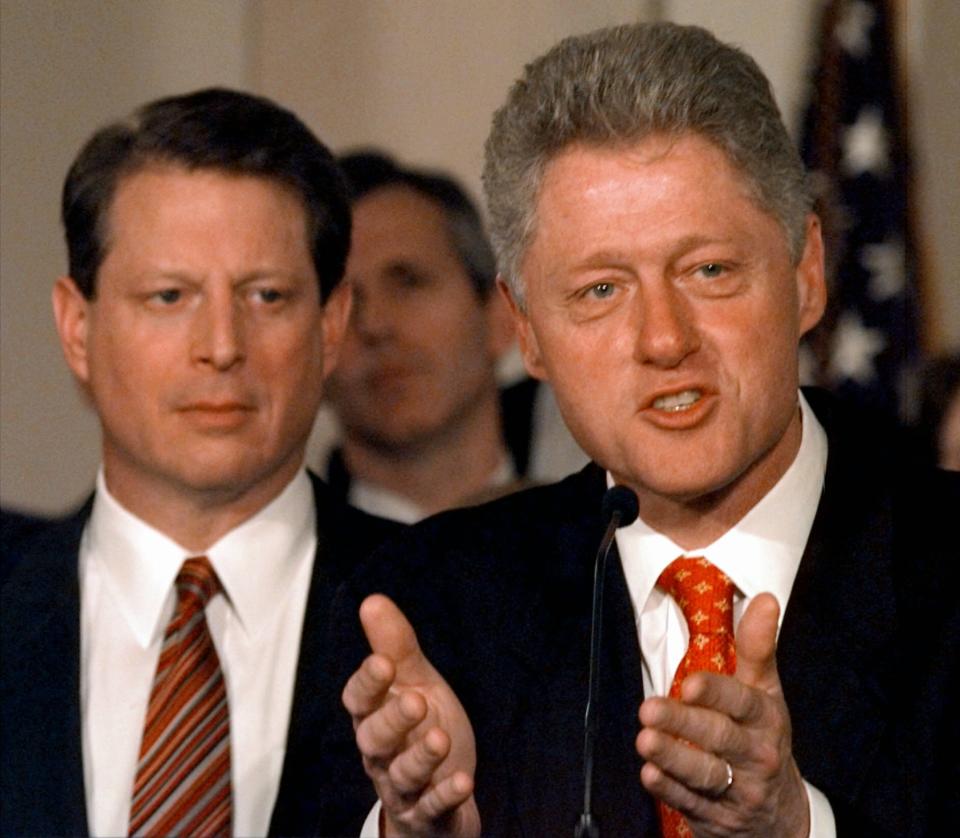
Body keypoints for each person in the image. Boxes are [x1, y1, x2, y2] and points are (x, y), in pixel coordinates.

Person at [332, 22, 960, 838]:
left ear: (807, 274)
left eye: (709, 271)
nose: (664, 338)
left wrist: (796, 829)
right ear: (526, 333)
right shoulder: (435, 612)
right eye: (600, 290)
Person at [0, 88, 398, 837]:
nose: (221, 344)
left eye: (267, 295)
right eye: (169, 296)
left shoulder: (448, 608)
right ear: (77, 327)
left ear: (332, 323)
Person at [319, 151, 523, 522]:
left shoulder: (610, 535)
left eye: (408, 282)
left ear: (501, 316)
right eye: (343, 301)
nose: (374, 324)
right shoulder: (277, 573)